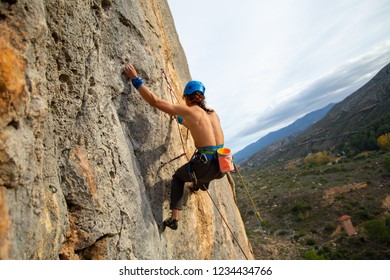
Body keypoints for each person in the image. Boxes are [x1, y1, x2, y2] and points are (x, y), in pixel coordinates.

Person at [124, 63, 225, 230]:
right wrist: (179, 120)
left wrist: (136, 80)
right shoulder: (213, 113)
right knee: (205, 171)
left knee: (178, 178)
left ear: (188, 97)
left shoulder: (191, 111)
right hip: (221, 166)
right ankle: (199, 185)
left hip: (204, 166)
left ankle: (174, 218)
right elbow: (199, 127)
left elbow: (155, 101)